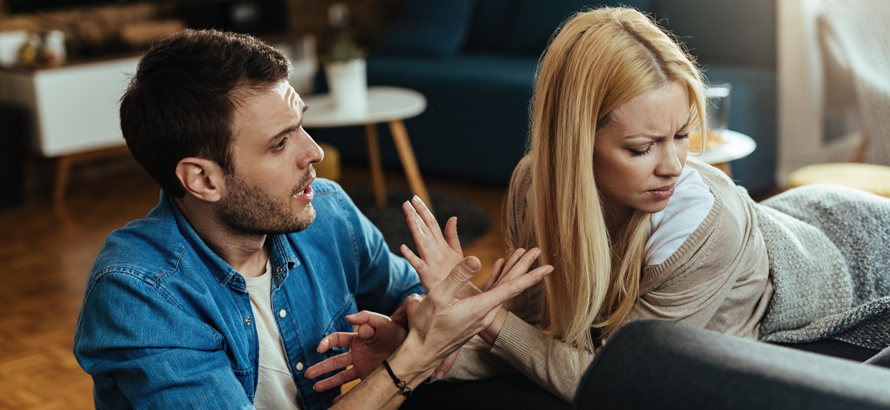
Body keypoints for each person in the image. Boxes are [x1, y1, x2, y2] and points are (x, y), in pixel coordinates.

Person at [309, 6, 890, 404]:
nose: (673, 165)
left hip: (853, 258)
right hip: (801, 219)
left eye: (683, 136)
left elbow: (614, 378)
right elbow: (547, 334)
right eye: (642, 147)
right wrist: (414, 358)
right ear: (576, 143)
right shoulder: (534, 188)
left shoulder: (702, 228)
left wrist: (484, 314)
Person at [72, 28, 553, 409]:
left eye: (302, 124)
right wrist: (414, 357)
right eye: (280, 143)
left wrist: (409, 326)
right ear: (203, 180)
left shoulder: (328, 211)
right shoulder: (139, 293)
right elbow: (423, 348)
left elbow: (412, 298)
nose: (315, 152)